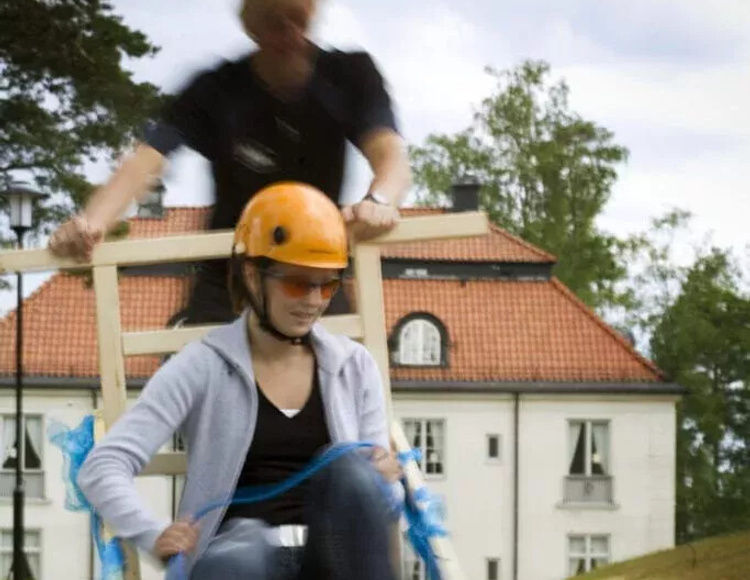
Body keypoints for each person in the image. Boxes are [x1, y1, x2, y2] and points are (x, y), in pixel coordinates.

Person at [77, 182, 402, 579]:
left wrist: (384, 482)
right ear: (252, 274)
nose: (314, 301)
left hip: (330, 563)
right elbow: (102, 466)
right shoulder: (202, 365)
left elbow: (380, 504)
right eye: (297, 282)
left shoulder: (354, 365)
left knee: (351, 472)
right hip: (236, 565)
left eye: (328, 284)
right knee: (244, 545)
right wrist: (153, 533)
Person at [49, 0, 411, 322]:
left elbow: (389, 152)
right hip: (228, 280)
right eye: (273, 20)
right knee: (198, 372)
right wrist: (91, 224)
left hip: (314, 270)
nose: (287, 31)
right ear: (251, 25)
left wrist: (378, 201)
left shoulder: (350, 75)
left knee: (342, 369)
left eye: (297, 17)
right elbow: (144, 161)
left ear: (311, 13)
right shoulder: (215, 90)